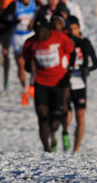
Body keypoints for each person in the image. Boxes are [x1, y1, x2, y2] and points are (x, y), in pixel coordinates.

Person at [23, 13, 75, 152]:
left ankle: (56, 133)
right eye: (36, 31)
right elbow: (27, 60)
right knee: (42, 116)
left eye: (42, 31)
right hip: (40, 82)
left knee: (54, 124)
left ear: (48, 30)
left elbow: (72, 51)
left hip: (58, 82)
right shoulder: (30, 43)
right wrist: (27, 66)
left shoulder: (60, 38)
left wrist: (69, 72)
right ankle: (47, 150)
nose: (39, 34)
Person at [62, 15, 97, 152]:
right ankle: (65, 134)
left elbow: (96, 63)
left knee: (80, 117)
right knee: (66, 114)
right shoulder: (63, 42)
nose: (73, 31)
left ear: (79, 29)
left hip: (80, 84)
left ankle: (76, 150)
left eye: (75, 28)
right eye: (70, 28)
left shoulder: (85, 43)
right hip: (65, 83)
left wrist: (86, 70)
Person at [0, 0, 40, 105]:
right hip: (17, 36)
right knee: (20, 64)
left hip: (30, 36)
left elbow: (43, 14)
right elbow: (3, 18)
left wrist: (35, 23)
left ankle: (32, 84)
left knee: (33, 62)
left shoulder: (35, 4)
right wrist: (13, 21)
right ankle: (24, 88)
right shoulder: (15, 4)